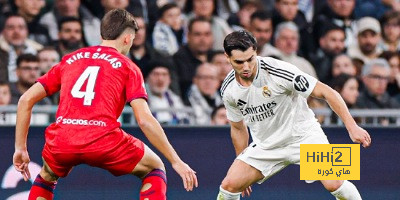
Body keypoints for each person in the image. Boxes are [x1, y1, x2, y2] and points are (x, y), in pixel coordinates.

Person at [13, 9, 198, 200]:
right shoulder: (128, 67)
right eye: (132, 39)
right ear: (127, 39)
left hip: (63, 140)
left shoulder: (70, 59)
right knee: (155, 167)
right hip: (103, 140)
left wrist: (21, 148)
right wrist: (176, 161)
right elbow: (144, 120)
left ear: (102, 34)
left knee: (47, 175)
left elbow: (25, 100)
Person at [216, 30, 371, 200]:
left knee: (334, 183)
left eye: (250, 59)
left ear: (256, 51)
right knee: (229, 185)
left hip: (304, 136)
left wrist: (352, 126)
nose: (246, 67)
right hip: (266, 145)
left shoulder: (278, 71)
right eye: (239, 62)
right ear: (227, 57)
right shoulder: (228, 89)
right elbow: (238, 128)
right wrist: (242, 161)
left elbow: (326, 91)